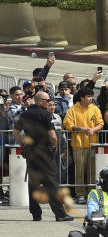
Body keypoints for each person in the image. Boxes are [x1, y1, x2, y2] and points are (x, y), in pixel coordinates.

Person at [13, 91, 73, 221]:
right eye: (46, 101)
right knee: (52, 183)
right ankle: (60, 214)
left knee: (33, 183)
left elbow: (16, 132)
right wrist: (55, 149)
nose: (48, 103)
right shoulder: (45, 114)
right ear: (39, 101)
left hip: (30, 152)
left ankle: (36, 214)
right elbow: (52, 136)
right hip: (44, 152)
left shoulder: (25, 113)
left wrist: (23, 145)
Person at [62, 87, 104, 203]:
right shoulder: (73, 110)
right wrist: (82, 129)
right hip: (78, 145)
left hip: (92, 145)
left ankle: (91, 194)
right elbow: (68, 124)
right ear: (82, 98)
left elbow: (100, 123)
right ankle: (80, 194)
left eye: (91, 96)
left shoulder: (95, 109)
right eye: (88, 97)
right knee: (79, 171)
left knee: (92, 172)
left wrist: (93, 129)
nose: (91, 99)